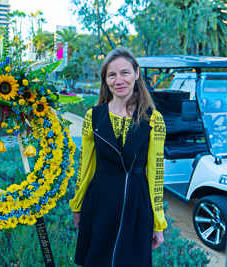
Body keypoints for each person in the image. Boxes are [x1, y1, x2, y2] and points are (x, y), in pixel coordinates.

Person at [70, 47, 167, 267]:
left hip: (137, 203)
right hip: (100, 200)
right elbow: (85, 165)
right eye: (111, 75)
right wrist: (77, 205)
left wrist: (158, 222)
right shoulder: (94, 116)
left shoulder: (154, 120)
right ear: (105, 80)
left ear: (137, 74)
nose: (119, 80)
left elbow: (156, 173)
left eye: (125, 72)